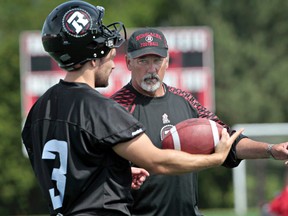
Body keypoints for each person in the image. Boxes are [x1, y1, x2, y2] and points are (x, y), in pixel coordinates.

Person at [21, 2, 243, 216]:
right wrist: (214, 159)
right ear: (93, 55)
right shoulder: (100, 109)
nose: (113, 61)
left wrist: (116, 174)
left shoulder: (40, 109)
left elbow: (72, 168)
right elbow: (157, 161)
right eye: (107, 49)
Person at [111, 27, 288, 216]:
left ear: (167, 62)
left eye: (157, 60)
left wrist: (271, 149)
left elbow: (228, 140)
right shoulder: (115, 108)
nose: (151, 68)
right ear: (129, 62)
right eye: (143, 61)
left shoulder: (185, 100)